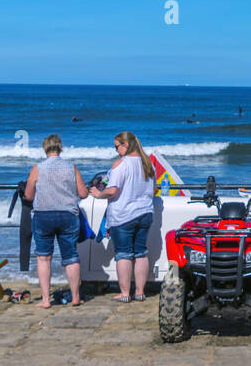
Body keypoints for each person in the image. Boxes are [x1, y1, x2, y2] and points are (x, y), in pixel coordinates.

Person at [89, 132, 156, 302]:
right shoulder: (148, 164)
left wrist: (98, 193)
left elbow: (113, 190)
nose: (116, 150)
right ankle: (140, 292)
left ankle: (125, 294)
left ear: (125, 145)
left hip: (124, 215)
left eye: (117, 146)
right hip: (145, 212)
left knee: (123, 254)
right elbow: (153, 189)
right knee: (141, 253)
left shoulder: (121, 164)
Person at [24, 134, 88, 308]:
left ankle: (45, 300)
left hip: (43, 215)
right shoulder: (71, 167)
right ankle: (75, 297)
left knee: (44, 257)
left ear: (45, 149)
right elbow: (83, 194)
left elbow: (28, 195)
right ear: (60, 148)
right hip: (68, 215)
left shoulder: (38, 168)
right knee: (71, 256)